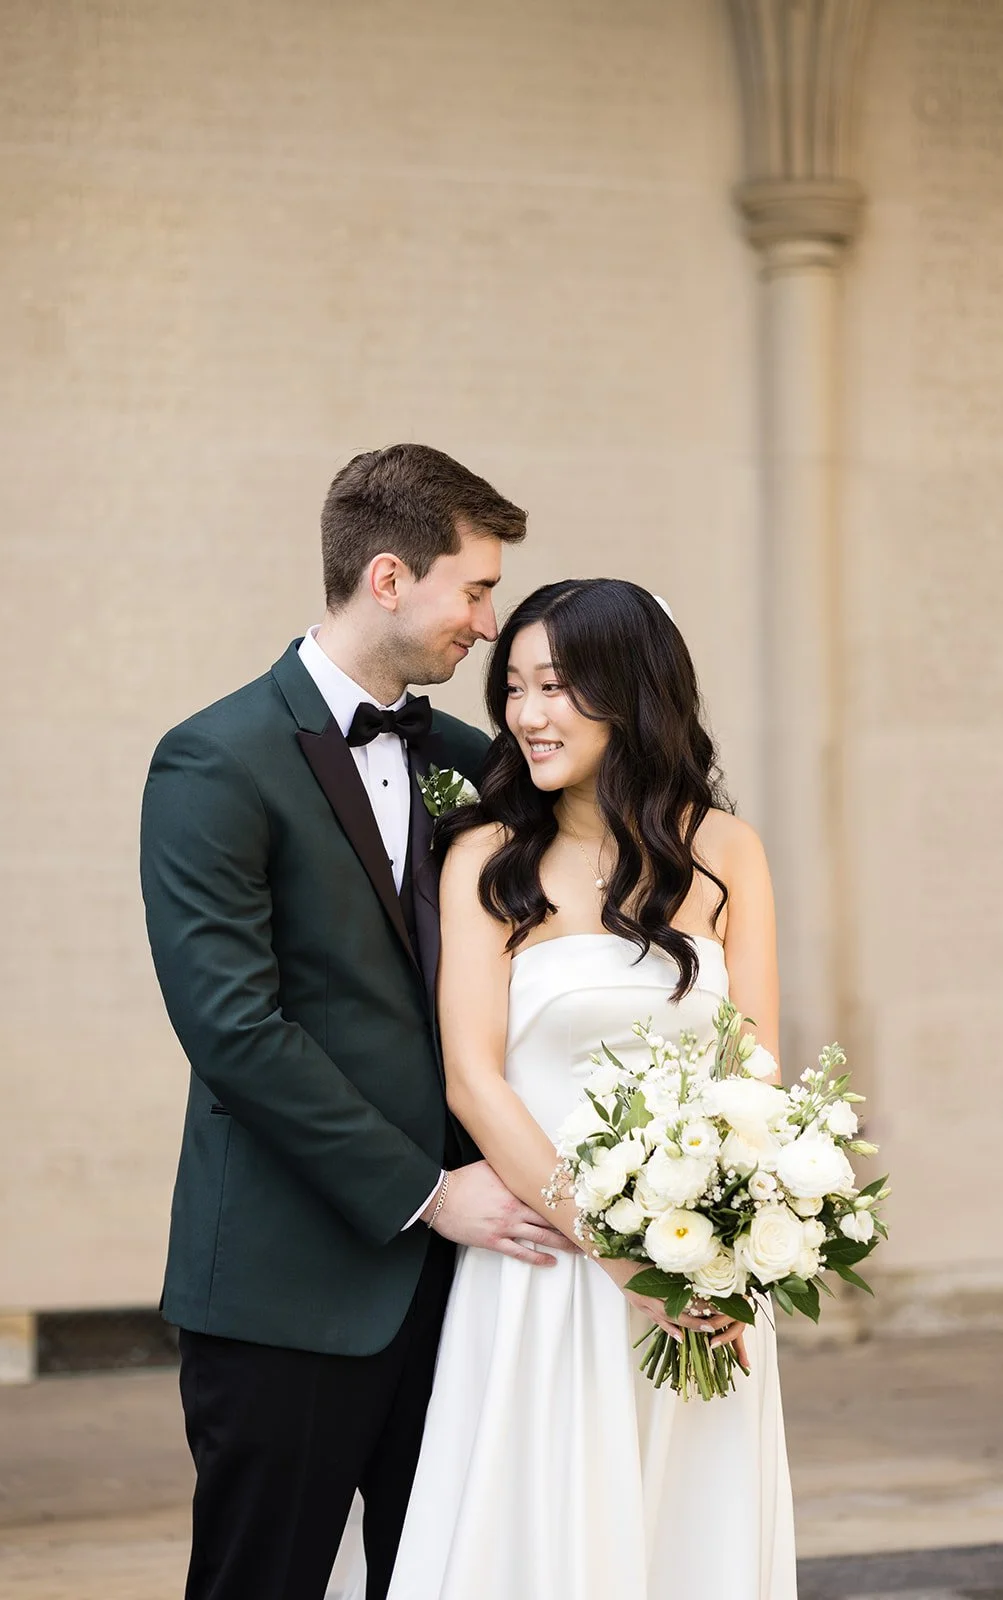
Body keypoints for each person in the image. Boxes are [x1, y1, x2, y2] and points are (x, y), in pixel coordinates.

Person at [139, 444, 575, 1600]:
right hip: (288, 1281)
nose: (486, 625)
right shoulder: (212, 761)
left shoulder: (474, 764)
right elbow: (234, 1028)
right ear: (389, 577)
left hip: (467, 1292)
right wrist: (429, 1192)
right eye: (474, 589)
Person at [383, 578, 797, 1600]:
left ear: (631, 690)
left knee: (687, 1531)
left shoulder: (727, 850)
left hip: (701, 1277)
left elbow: (756, 1071)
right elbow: (474, 1081)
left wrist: (730, 1247)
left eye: (556, 686)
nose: (526, 714)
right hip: (548, 1265)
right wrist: (618, 1252)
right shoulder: (484, 855)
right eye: (513, 688)